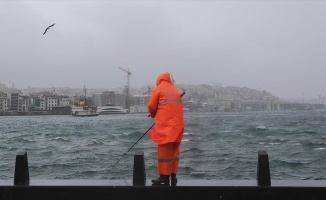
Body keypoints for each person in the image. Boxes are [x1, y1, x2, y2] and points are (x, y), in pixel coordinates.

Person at [147, 72, 184, 186]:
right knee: (174, 150)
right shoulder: (177, 90)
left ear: (159, 80)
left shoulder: (158, 89)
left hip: (166, 126)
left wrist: (153, 115)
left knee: (164, 151)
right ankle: (173, 176)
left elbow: (151, 106)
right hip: (178, 126)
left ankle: (163, 176)